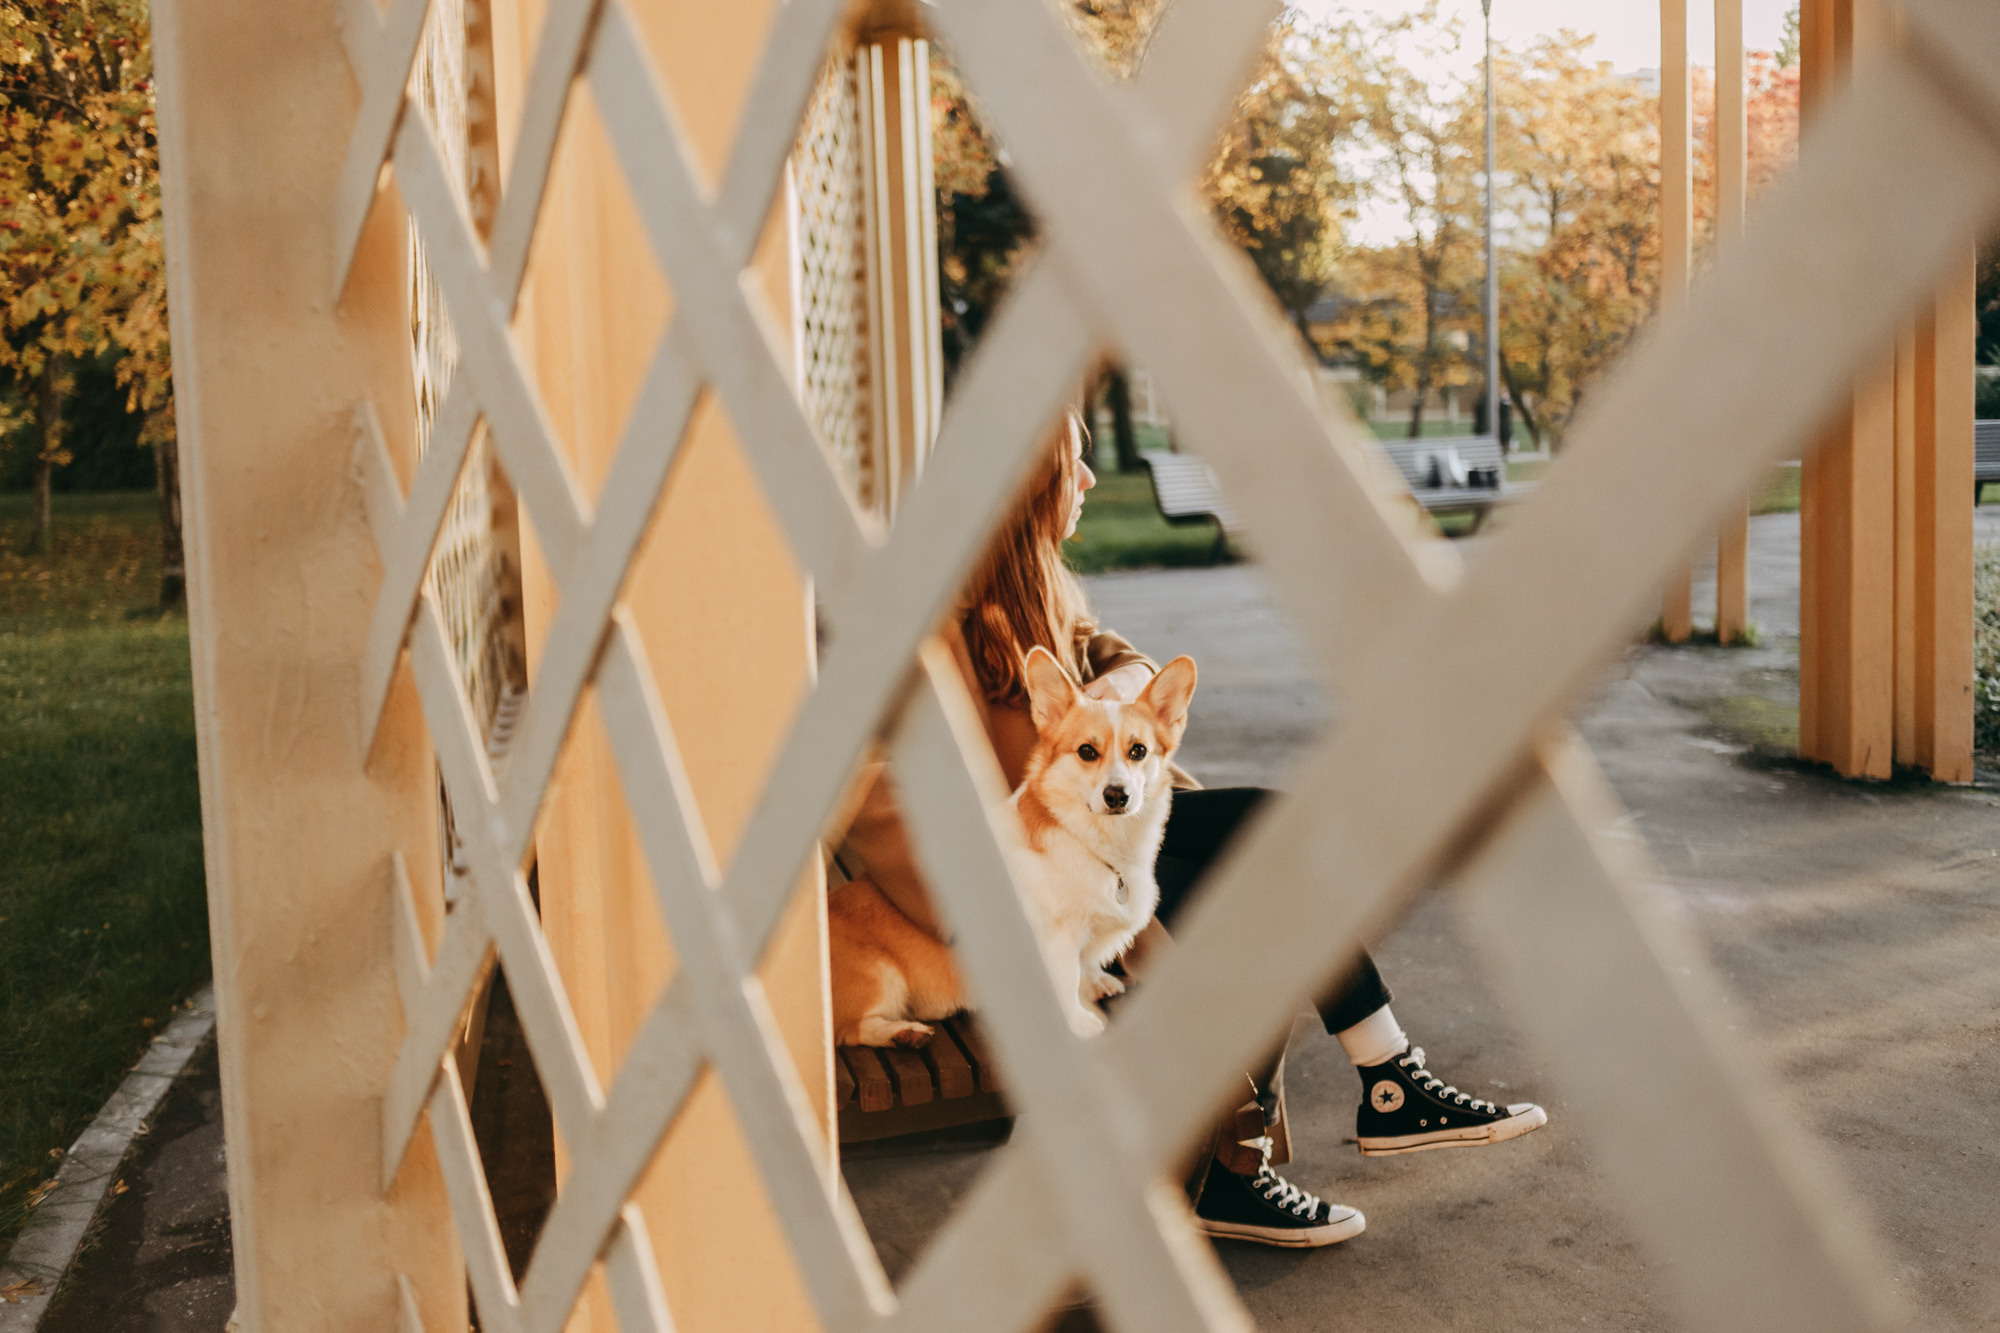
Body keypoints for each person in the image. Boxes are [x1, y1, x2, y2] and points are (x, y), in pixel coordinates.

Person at [837, 416, 1546, 1248]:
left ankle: (1378, 1089)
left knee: (1275, 833)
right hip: (1028, 883)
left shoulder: (1041, 583)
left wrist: (1122, 683)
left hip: (1106, 844)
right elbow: (868, 783)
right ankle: (1276, 1150)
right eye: (1079, 465)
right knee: (1258, 890)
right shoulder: (931, 612)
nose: (1093, 481)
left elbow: (1119, 658)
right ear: (1036, 485)